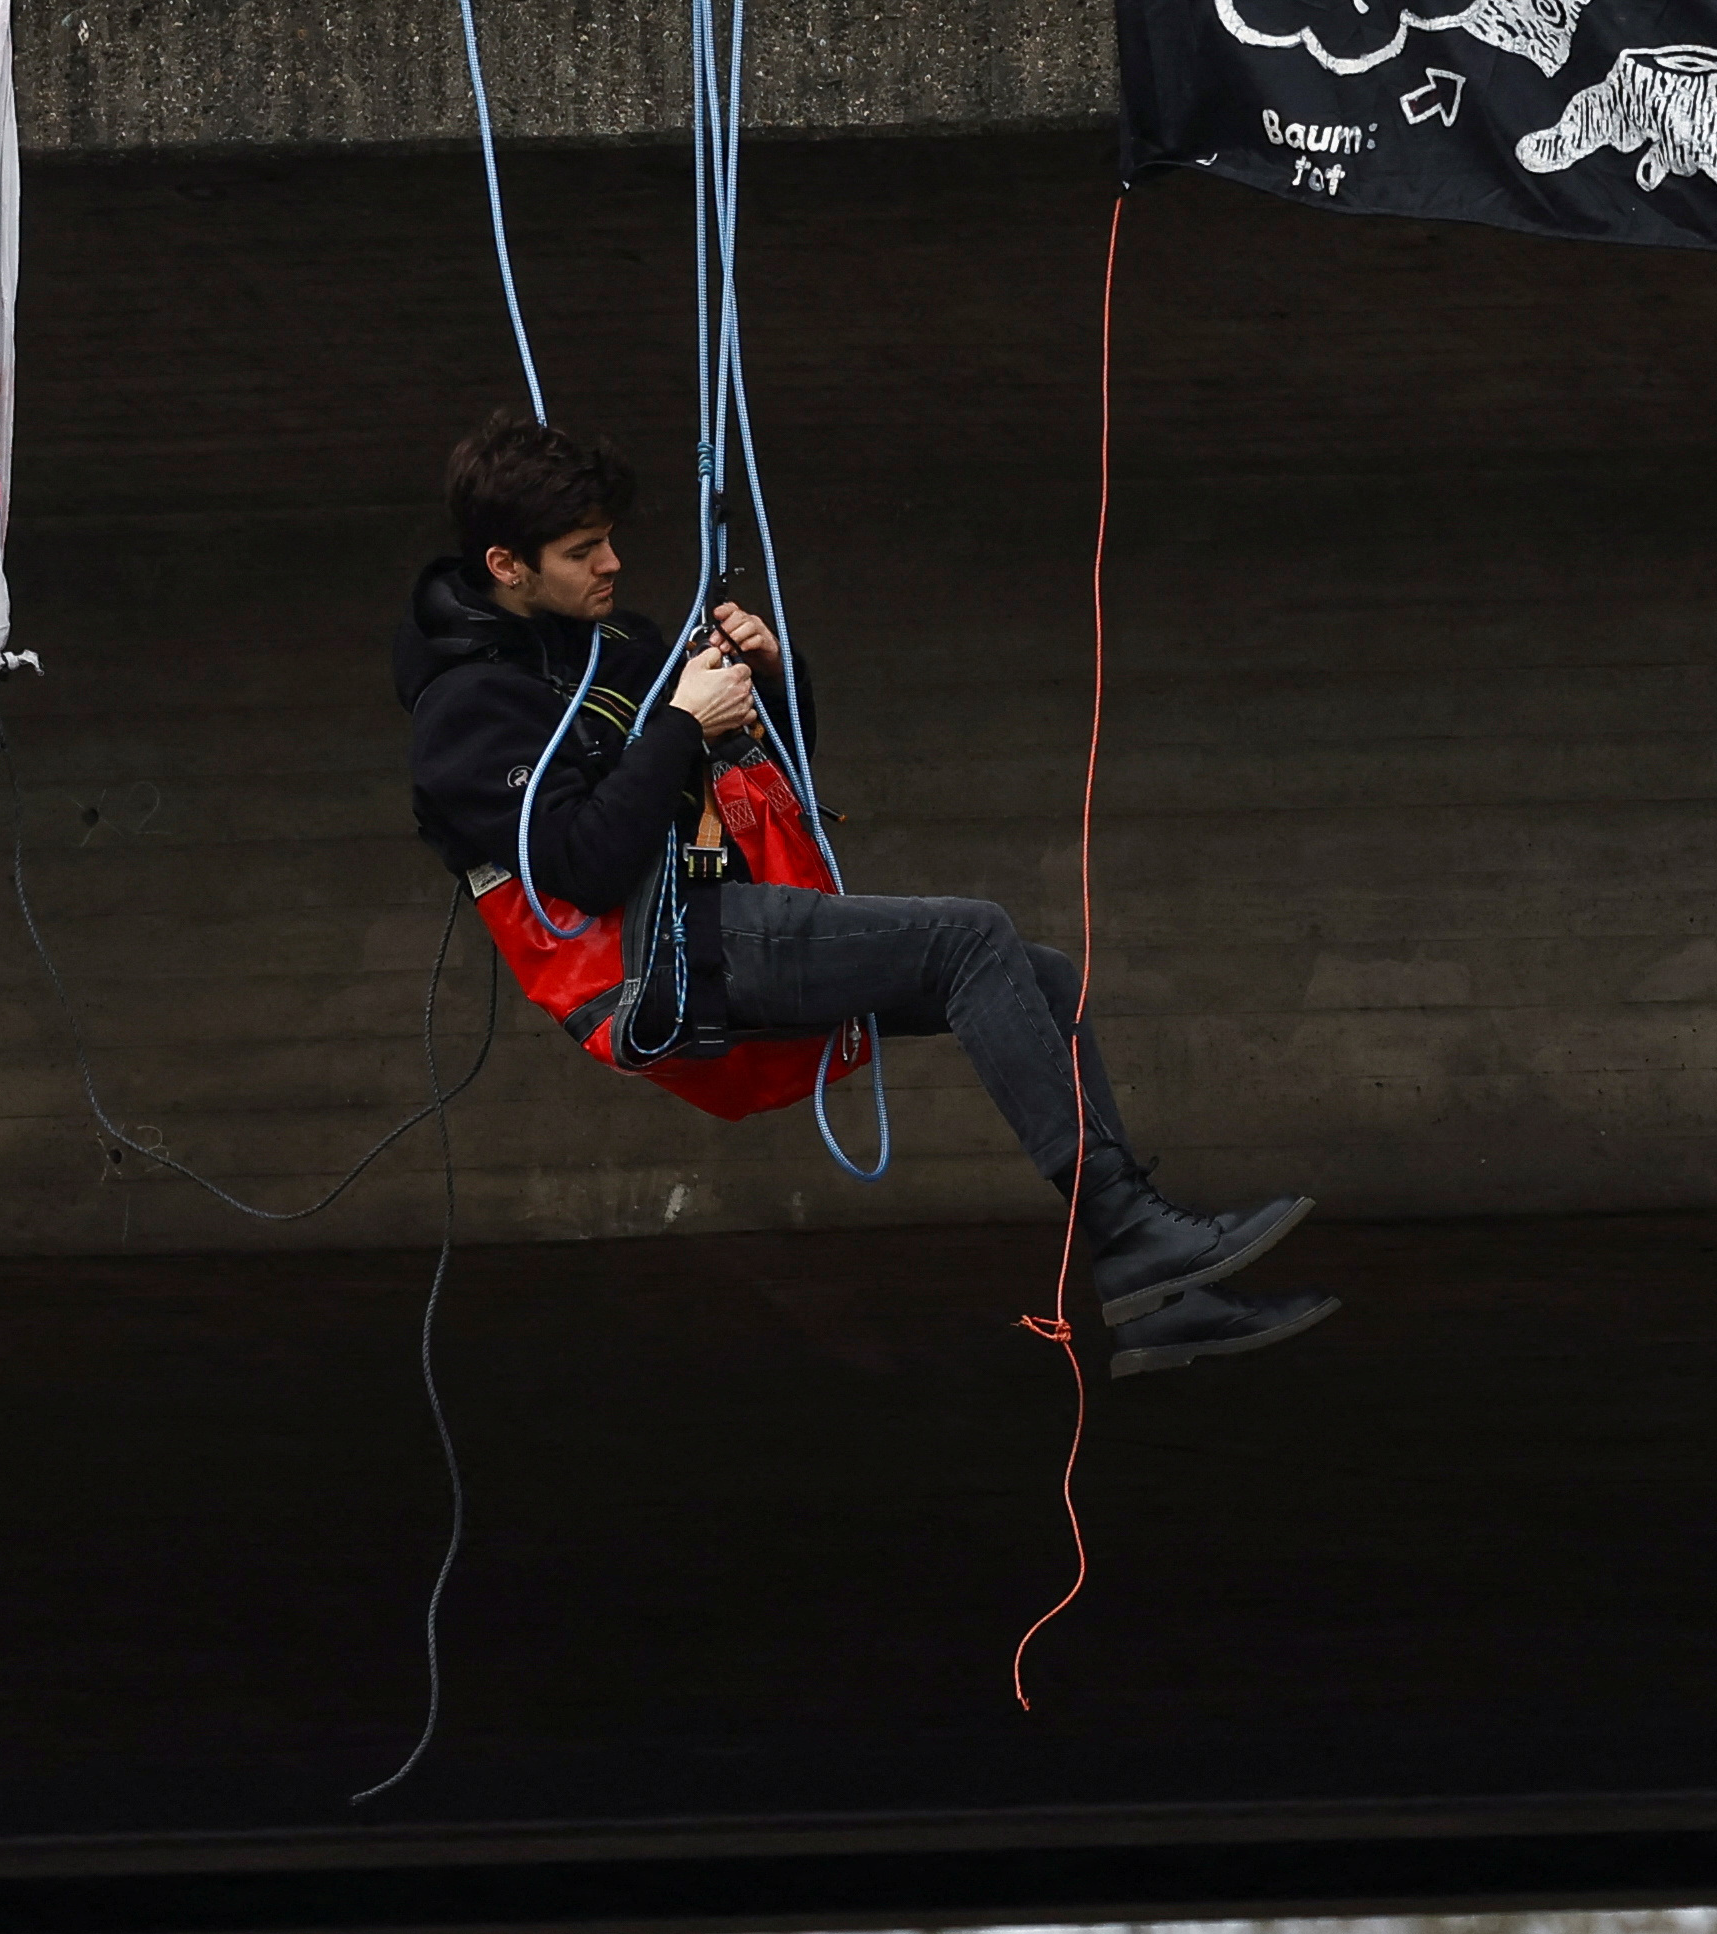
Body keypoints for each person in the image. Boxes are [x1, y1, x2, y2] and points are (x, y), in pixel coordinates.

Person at [391, 411, 1333, 1376]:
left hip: (713, 921)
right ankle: (1140, 1233)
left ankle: (1147, 1289)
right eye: (583, 550)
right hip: (651, 967)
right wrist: (679, 721)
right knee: (974, 937)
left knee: (1041, 981)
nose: (614, 565)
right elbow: (582, 868)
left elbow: (768, 760)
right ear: (506, 564)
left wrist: (770, 675)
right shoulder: (465, 715)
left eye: (611, 541)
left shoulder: (608, 642)